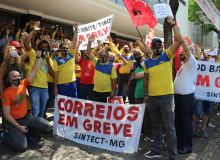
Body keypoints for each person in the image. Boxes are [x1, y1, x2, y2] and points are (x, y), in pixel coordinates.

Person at [143, 15, 183, 160]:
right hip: (152, 98)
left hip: (166, 97)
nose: (158, 46)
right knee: (156, 126)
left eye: (160, 44)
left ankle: (173, 155)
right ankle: (157, 150)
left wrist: (173, 24)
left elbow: (179, 40)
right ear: (152, 47)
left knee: (170, 128)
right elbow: (146, 79)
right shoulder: (147, 62)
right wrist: (146, 95)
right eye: (156, 45)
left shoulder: (167, 55)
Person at [0, 50, 50, 151]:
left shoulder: (23, 84)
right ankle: (3, 136)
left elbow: (34, 71)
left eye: (19, 76)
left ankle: (29, 135)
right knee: (21, 147)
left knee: (45, 124)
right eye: (14, 77)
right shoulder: (6, 93)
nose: (17, 78)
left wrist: (38, 58)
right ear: (10, 81)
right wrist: (19, 127)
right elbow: (7, 115)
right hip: (13, 122)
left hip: (25, 118)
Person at [24, 21, 54, 118]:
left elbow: (52, 74)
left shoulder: (48, 57)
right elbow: (26, 43)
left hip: (45, 88)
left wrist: (48, 61)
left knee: (42, 109)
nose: (44, 50)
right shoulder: (33, 54)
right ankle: (34, 131)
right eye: (42, 48)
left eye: (46, 48)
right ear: (38, 48)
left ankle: (39, 129)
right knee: (35, 109)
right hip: (34, 88)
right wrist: (33, 30)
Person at [174, 40, 197, 154]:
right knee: (178, 122)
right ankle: (180, 144)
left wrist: (181, 39)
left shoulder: (192, 63)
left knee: (186, 123)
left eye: (183, 52)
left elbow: (187, 50)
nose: (181, 53)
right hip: (179, 98)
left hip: (186, 98)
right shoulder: (183, 66)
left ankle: (187, 146)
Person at [193, 50, 218, 138]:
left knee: (207, 112)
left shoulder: (217, 67)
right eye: (211, 56)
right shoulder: (203, 65)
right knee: (197, 112)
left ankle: (203, 129)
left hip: (211, 94)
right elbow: (199, 61)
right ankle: (191, 129)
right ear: (208, 57)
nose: (213, 58)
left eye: (214, 57)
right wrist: (198, 50)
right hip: (201, 94)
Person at [87, 35, 117, 102]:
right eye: (102, 56)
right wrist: (89, 42)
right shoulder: (96, 62)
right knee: (97, 110)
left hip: (107, 92)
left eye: (105, 56)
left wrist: (113, 91)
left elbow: (114, 79)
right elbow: (89, 53)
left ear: (108, 57)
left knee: (106, 110)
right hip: (96, 91)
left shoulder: (111, 66)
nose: (103, 57)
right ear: (98, 56)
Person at [53, 23, 78, 98]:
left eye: (67, 48)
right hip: (61, 86)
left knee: (73, 106)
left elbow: (74, 41)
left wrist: (76, 30)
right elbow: (55, 75)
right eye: (63, 48)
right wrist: (55, 88)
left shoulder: (71, 55)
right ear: (60, 49)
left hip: (72, 85)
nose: (65, 49)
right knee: (62, 107)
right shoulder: (56, 60)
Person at [134, 56, 152, 141]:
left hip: (148, 94)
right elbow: (136, 76)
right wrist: (146, 72)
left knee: (147, 115)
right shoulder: (138, 68)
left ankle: (147, 133)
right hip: (138, 95)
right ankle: (140, 131)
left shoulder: (151, 67)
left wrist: (143, 73)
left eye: (145, 60)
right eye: (141, 60)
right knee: (139, 115)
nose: (143, 61)